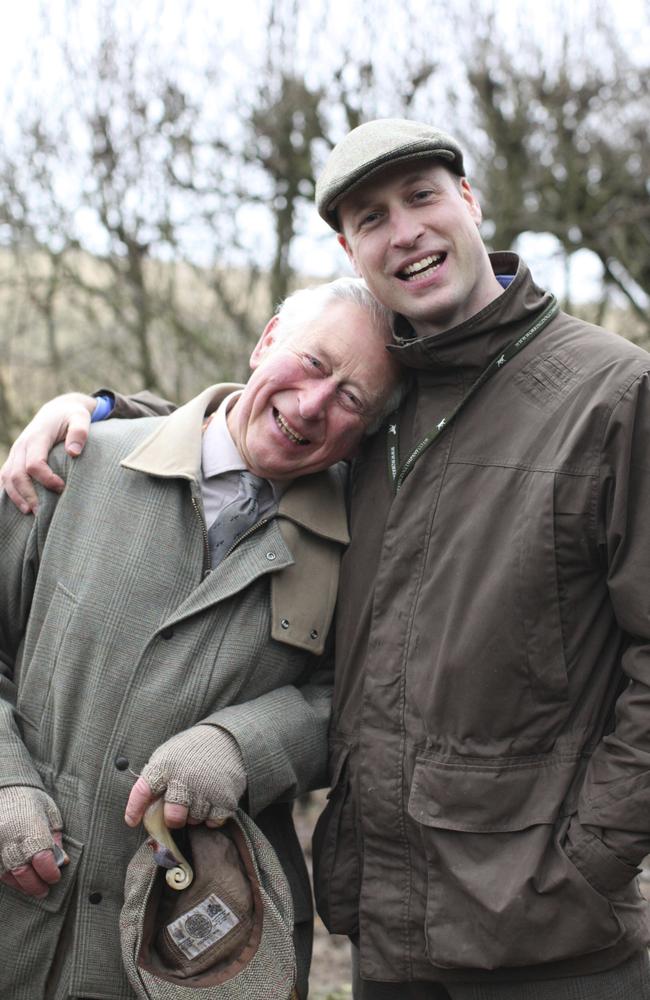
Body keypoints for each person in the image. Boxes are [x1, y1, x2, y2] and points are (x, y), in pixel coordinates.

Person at [4, 118, 650, 1000]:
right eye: (373, 217)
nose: (313, 407)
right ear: (273, 331)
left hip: (523, 937)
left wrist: (591, 861)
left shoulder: (594, 402)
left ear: (471, 201)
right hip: (356, 930)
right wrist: (96, 409)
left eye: (424, 196)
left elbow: (350, 687)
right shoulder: (93, 466)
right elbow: (218, 444)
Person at [0, 275, 402, 1000]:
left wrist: (244, 744)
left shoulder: (363, 546)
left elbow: (364, 701)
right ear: (266, 340)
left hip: (204, 942)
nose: (312, 406)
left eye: (351, 399)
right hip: (20, 907)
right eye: (313, 363)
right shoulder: (76, 465)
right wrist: (2, 778)